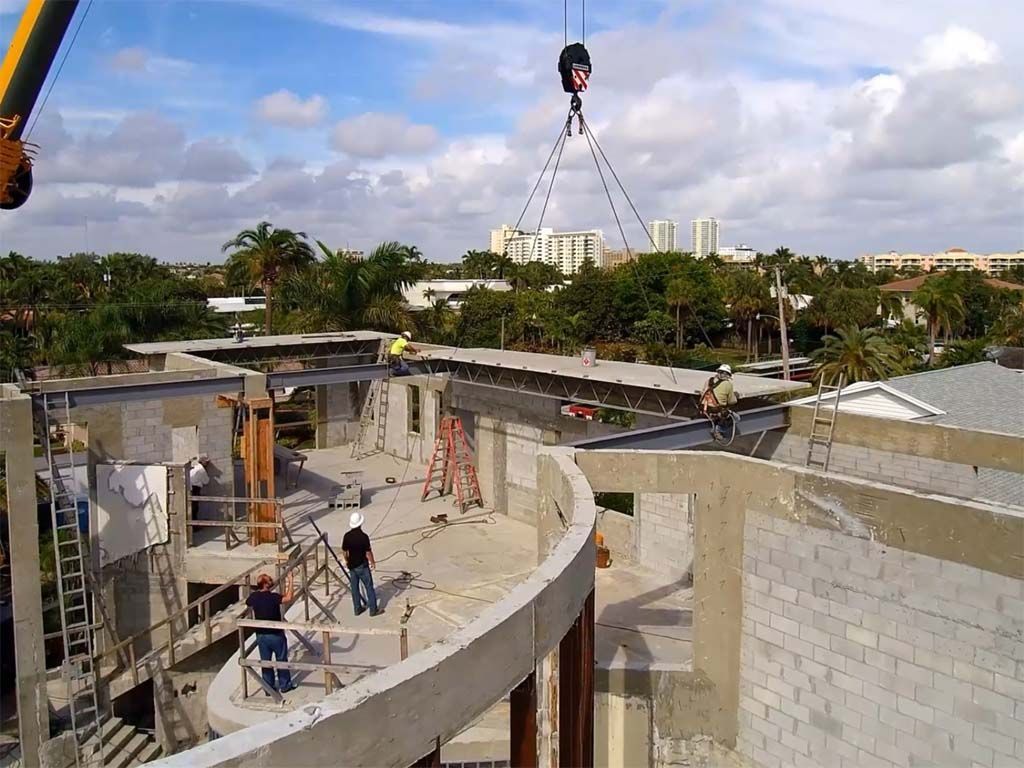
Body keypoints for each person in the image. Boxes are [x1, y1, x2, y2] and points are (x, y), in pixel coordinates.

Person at [246, 572, 297, 694]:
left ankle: (268, 688)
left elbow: (247, 602)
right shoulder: (273, 597)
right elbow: (288, 597)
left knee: (266, 662)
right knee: (281, 660)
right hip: (276, 634)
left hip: (261, 635)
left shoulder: (254, 597)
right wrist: (290, 580)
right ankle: (285, 685)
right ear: (266, 584)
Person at [342, 512, 381, 616]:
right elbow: (368, 552)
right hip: (362, 566)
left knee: (354, 588)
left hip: (352, 566)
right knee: (369, 587)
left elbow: (345, 551)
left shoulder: (347, 536)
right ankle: (373, 610)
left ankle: (357, 609)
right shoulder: (364, 537)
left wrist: (347, 560)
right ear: (360, 524)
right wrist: (372, 562)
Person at [700, 364, 738, 437]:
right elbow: (732, 401)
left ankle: (714, 426)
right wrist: (734, 396)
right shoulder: (728, 384)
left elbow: (703, 393)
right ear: (728, 374)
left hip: (704, 409)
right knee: (736, 418)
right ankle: (719, 431)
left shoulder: (709, 380)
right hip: (715, 410)